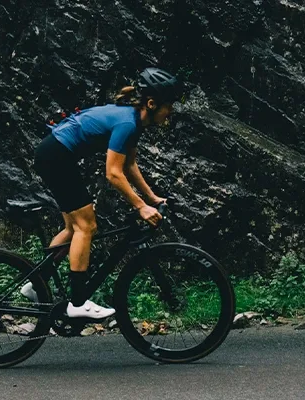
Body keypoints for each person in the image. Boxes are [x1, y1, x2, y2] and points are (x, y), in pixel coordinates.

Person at [20, 67, 184, 320]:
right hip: (56, 156)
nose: (171, 111)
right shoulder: (128, 123)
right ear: (151, 104)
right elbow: (113, 173)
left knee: (73, 229)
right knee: (87, 226)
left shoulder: (132, 121)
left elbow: (129, 165)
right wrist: (141, 206)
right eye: (169, 105)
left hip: (54, 154)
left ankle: (35, 285)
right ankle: (77, 303)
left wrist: (151, 198)